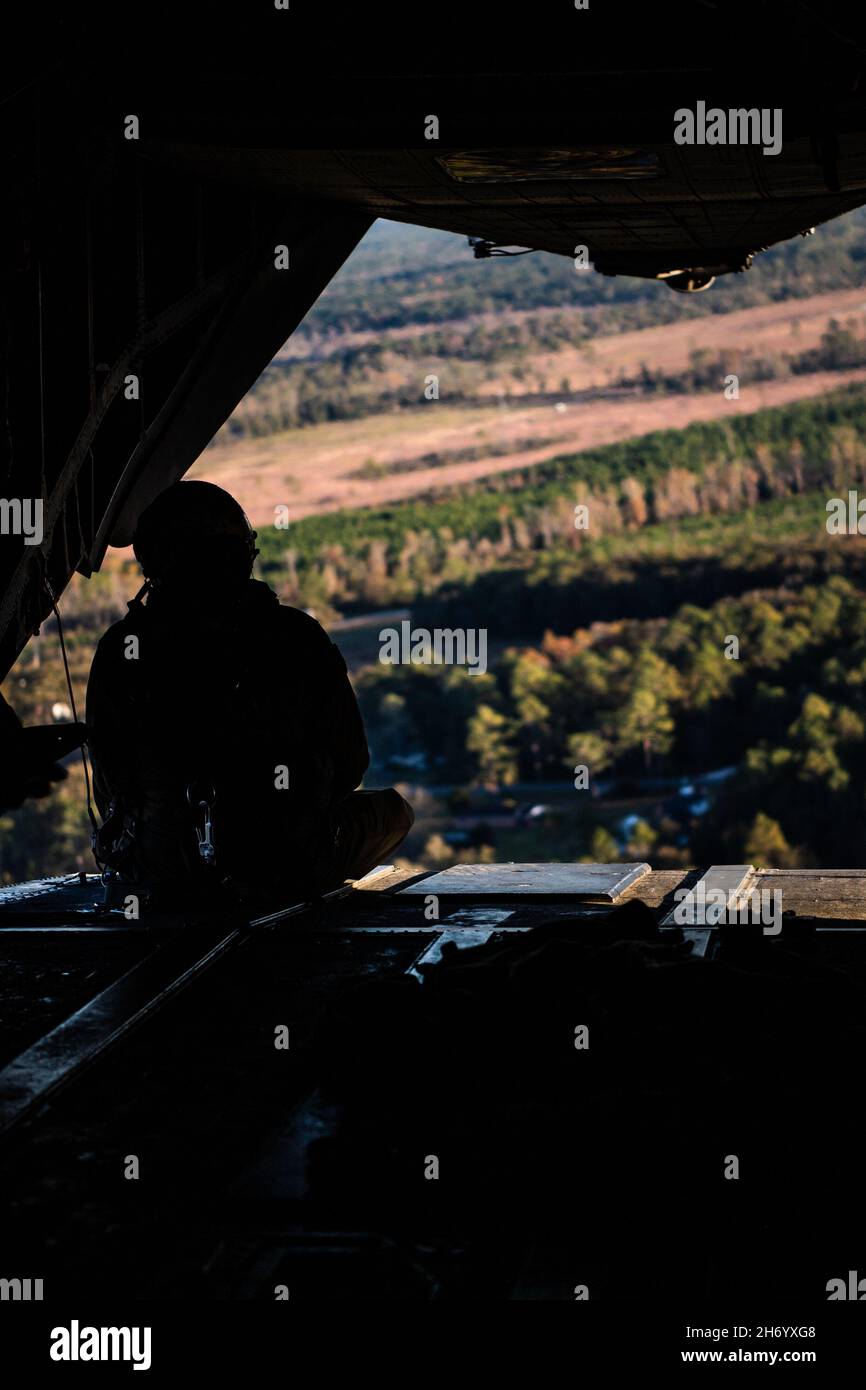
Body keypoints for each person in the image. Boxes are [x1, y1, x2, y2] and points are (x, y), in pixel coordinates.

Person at [85, 481, 413, 906]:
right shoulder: (295, 636)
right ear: (240, 554)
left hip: (158, 872)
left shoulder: (120, 648)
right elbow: (351, 765)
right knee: (394, 812)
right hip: (286, 867)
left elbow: (110, 786)